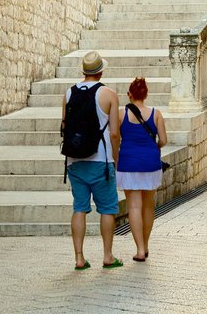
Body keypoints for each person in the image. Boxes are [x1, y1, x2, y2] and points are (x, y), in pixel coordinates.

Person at [63, 51, 123, 270]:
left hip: (74, 160)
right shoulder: (109, 94)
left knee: (79, 207)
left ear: (84, 71)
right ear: (101, 71)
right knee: (107, 209)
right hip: (101, 160)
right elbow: (114, 133)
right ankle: (107, 256)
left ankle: (79, 258)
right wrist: (116, 158)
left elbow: (64, 125)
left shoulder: (68, 93)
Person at [116, 77, 168, 262]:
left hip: (128, 163)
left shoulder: (121, 114)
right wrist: (155, 147)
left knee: (134, 206)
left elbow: (115, 136)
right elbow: (163, 139)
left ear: (129, 94)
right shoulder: (156, 114)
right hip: (150, 164)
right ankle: (145, 245)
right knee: (148, 205)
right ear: (146, 95)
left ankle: (138, 249)